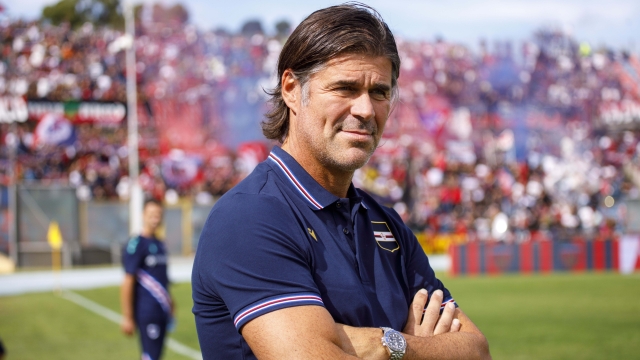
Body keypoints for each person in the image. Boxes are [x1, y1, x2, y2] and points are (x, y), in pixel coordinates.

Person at [192, 3, 491, 359]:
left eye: (379, 92)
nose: (366, 109)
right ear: (291, 89)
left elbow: (476, 350)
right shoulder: (250, 217)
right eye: (345, 88)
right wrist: (421, 347)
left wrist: (384, 344)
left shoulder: (386, 222)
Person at [121, 199, 174, 360]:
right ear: (143, 215)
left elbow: (163, 279)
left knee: (156, 355)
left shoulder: (160, 244)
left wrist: (171, 305)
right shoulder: (137, 244)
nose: (155, 219)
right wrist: (128, 316)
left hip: (162, 310)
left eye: (158, 215)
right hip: (147, 311)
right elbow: (128, 281)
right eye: (152, 215)